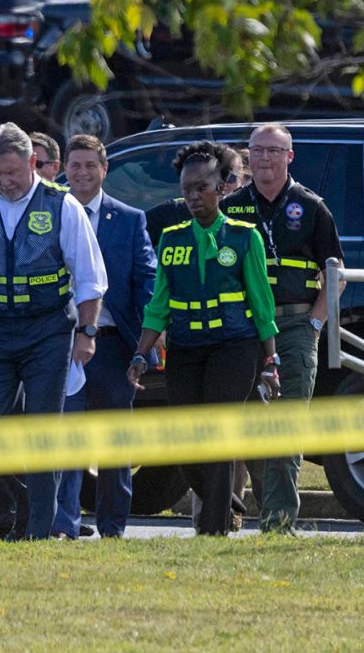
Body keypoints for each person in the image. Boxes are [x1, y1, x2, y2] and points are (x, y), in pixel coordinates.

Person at [0, 123, 107, 540]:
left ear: (33, 163)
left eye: (12, 172)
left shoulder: (61, 206)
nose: (5, 181)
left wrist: (86, 333)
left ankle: (37, 528)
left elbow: (89, 278)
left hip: (48, 329)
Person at [128, 141, 281, 536]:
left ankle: (213, 529)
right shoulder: (172, 239)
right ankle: (223, 498)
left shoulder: (244, 238)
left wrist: (271, 361)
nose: (193, 196)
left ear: (222, 187)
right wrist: (141, 353)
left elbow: (262, 305)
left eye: (202, 188)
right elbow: (158, 304)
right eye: (186, 190)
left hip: (235, 347)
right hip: (186, 347)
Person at [223, 123, 344, 532]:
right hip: (244, 330)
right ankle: (258, 509)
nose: (265, 159)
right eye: (257, 151)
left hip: (294, 327)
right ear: (248, 156)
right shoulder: (232, 206)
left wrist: (314, 322)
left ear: (290, 157)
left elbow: (336, 274)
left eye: (274, 151)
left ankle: (279, 522)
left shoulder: (311, 207)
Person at [54, 134, 157, 539]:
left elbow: (147, 279)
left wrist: (150, 336)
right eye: (74, 165)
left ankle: (113, 527)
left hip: (113, 346)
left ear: (104, 169)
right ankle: (65, 524)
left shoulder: (130, 219)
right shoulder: (49, 211)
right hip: (60, 344)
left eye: (89, 165)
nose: (81, 173)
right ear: (64, 167)